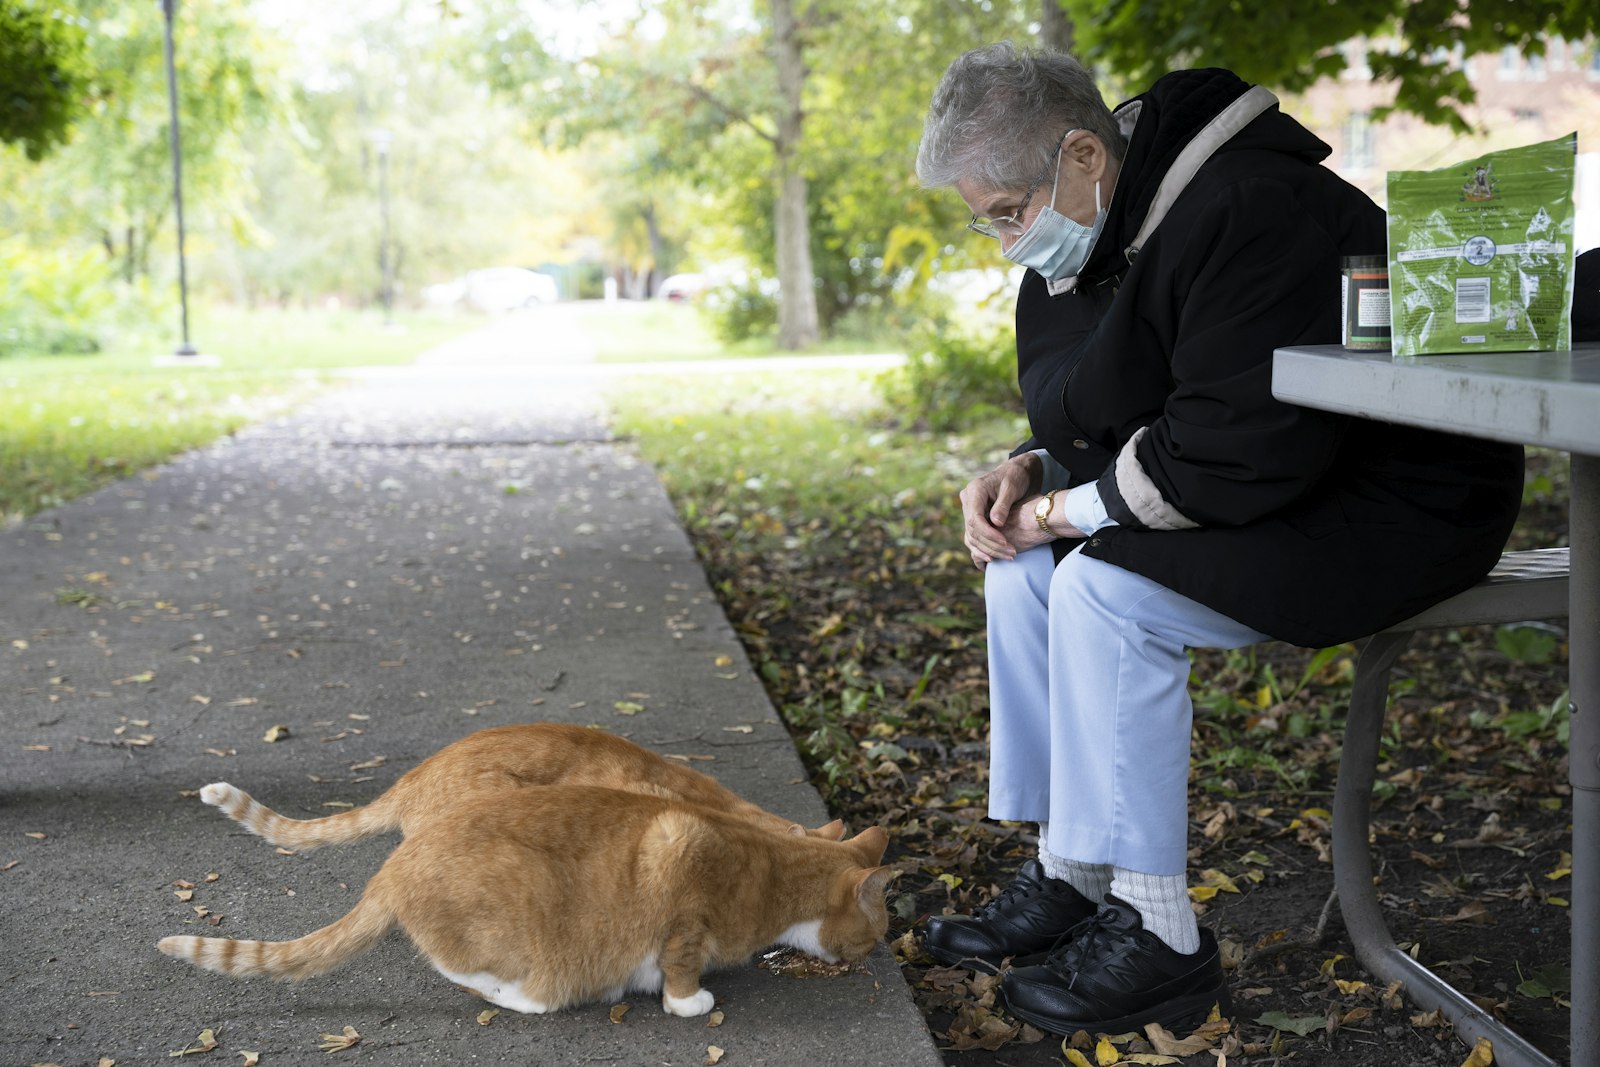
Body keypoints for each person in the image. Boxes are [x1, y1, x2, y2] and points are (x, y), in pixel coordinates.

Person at [913, 43, 1527, 1037]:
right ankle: (1073, 867)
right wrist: (1032, 468)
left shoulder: (1249, 207)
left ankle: (1159, 935)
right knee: (1025, 570)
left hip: (1398, 508)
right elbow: (1132, 395)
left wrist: (1066, 511)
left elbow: (1225, 446)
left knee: (1101, 589)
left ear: (1081, 156)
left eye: (1007, 213)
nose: (1005, 244)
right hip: (1285, 485)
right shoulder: (1122, 221)